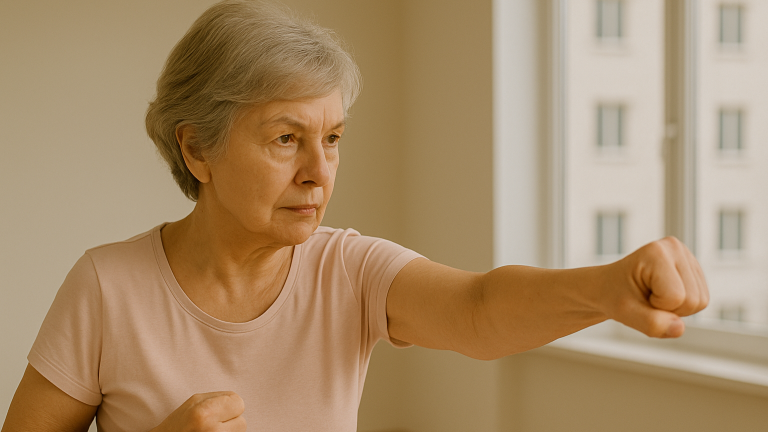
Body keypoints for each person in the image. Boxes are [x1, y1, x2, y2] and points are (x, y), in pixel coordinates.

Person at [1, 1, 708, 431]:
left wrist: (606, 289)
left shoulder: (349, 269)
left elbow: (478, 308)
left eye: (332, 138)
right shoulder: (106, 287)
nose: (319, 171)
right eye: (286, 138)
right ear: (197, 148)